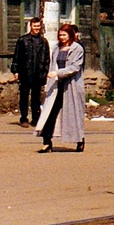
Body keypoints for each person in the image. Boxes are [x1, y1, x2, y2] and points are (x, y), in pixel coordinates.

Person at [35, 23, 86, 153]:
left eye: (64, 35)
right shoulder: (56, 48)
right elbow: (53, 64)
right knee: (50, 112)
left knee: (73, 113)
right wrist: (51, 77)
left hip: (71, 85)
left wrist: (58, 73)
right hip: (57, 85)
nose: (62, 37)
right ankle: (47, 142)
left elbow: (75, 67)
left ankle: (80, 140)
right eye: (60, 35)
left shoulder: (77, 49)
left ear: (70, 35)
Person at [10, 17, 50, 128]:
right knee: (24, 96)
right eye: (35, 26)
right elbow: (17, 56)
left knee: (36, 98)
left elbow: (47, 59)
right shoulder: (23, 40)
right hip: (25, 73)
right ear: (30, 26)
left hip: (38, 73)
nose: (36, 28)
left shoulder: (43, 42)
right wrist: (15, 70)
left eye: (38, 26)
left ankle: (36, 119)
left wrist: (45, 72)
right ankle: (24, 118)